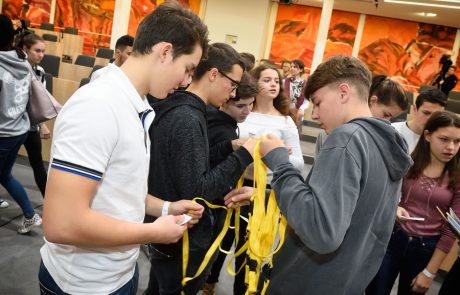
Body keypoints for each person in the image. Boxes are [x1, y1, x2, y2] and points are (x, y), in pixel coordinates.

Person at [39, 3, 209, 294]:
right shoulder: (98, 106)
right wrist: (153, 232)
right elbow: (61, 224)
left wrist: (165, 207)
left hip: (120, 271)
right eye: (187, 69)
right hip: (84, 284)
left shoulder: (136, 104)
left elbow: (117, 190)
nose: (185, 82)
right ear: (165, 52)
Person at [250, 55, 413, 294]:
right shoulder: (388, 143)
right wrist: (263, 195)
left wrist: (280, 162)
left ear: (344, 93)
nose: (314, 114)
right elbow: (346, 212)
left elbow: (322, 232)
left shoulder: (347, 138)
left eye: (317, 102)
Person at [146, 42, 255, 295]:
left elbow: (191, 162)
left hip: (167, 227)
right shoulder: (189, 117)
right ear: (214, 74)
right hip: (180, 237)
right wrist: (244, 156)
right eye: (233, 85)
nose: (232, 93)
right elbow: (198, 189)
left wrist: (229, 147)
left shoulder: (183, 108)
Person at [366, 111, 460, 295]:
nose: (451, 147)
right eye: (444, 139)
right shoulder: (407, 161)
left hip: (425, 249)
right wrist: (394, 208)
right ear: (427, 135)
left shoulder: (457, 178)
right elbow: (383, 196)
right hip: (391, 239)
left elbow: (452, 229)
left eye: (457, 141)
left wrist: (430, 271)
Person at [202, 72, 258, 295]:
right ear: (227, 99)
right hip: (210, 203)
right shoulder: (222, 128)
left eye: (252, 104)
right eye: (242, 106)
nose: (248, 111)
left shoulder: (221, 120)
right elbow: (212, 168)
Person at [0, 14, 42, 233]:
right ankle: (30, 215)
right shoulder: (22, 60)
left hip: (3, 132)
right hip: (19, 129)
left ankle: (30, 214)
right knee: (4, 174)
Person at [315, 75, 408, 154]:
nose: (387, 122)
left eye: (391, 118)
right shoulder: (332, 131)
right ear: (373, 101)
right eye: (386, 114)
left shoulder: (382, 140)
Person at [16, 32, 50, 197]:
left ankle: (49, 203)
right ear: (25, 49)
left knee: (37, 164)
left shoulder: (41, 71)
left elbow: (39, 101)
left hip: (31, 127)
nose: (41, 55)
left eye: (43, 51)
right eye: (37, 50)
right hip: (13, 126)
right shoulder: (14, 67)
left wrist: (42, 124)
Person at [392, 87, 447, 153]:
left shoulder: (444, 140)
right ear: (415, 109)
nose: (431, 119)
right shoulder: (392, 131)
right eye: (426, 113)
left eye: (436, 114)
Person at [284, 59, 309, 131]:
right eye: (291, 66)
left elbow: (307, 100)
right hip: (285, 111)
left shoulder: (305, 83)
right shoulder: (284, 81)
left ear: (301, 70)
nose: (292, 68)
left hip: (298, 112)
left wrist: (301, 109)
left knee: (295, 133)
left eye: (295, 67)